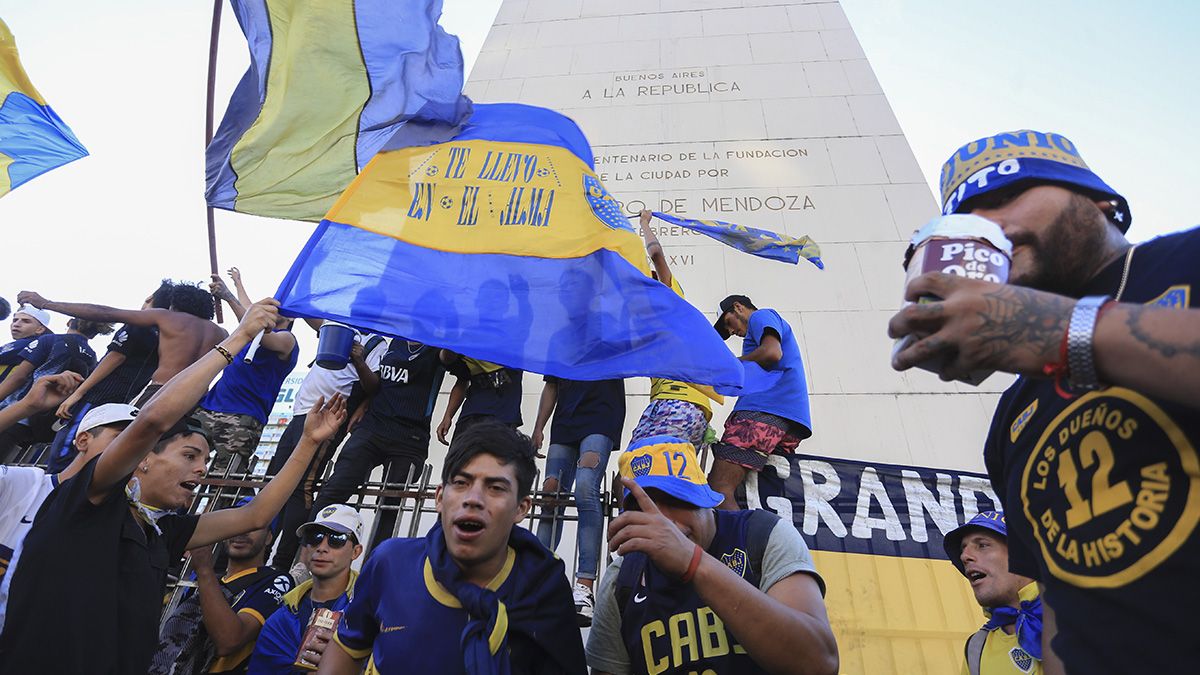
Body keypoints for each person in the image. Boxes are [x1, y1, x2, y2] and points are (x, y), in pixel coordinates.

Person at [886, 129, 1200, 673]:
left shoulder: (1187, 260)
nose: (991, 227)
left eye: (1008, 195)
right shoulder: (1012, 416)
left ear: (1101, 201)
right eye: (969, 218)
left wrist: (1063, 332)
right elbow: (1057, 598)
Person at [0, 300, 346, 675]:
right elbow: (152, 421)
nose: (201, 469)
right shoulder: (87, 499)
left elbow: (257, 515)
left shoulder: (162, 529)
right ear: (143, 458)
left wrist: (308, 442)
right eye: (189, 455)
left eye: (204, 460)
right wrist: (240, 336)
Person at [317, 420, 586, 675]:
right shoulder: (390, 562)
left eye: (495, 487)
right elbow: (347, 647)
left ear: (521, 508)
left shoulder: (544, 586)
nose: (473, 498)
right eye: (461, 483)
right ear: (439, 497)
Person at [586, 436, 838, 675]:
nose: (664, 524)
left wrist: (694, 563)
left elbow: (819, 663)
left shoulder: (762, 536)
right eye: (644, 509)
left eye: (676, 500)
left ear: (704, 499)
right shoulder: (622, 577)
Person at [308, 338, 460, 546]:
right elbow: (381, 385)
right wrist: (364, 397)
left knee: (390, 505)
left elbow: (448, 357)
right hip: (373, 427)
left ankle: (376, 560)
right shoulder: (395, 342)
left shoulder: (437, 347)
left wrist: (449, 330)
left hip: (410, 438)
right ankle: (309, 549)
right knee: (336, 488)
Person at [267, 327, 387, 572]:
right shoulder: (337, 326)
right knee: (275, 483)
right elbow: (314, 319)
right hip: (301, 413)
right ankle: (261, 556)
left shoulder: (376, 342)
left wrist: (358, 359)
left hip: (328, 418)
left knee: (301, 488)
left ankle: (284, 565)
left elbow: (374, 386)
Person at [0, 374, 105, 633]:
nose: (131, 449)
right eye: (121, 437)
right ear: (83, 440)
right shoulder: (25, 483)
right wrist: (27, 406)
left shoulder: (124, 523)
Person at [18, 282, 228, 406]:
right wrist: (228, 297)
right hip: (196, 399)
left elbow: (106, 313)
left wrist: (47, 304)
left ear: (175, 304)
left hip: (161, 393)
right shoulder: (222, 334)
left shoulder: (168, 318)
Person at [152, 496, 294, 675]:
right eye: (237, 526)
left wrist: (204, 569)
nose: (241, 533)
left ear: (269, 537)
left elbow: (229, 640)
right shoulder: (210, 582)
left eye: (252, 527)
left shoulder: (276, 580)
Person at [46, 280, 173, 472]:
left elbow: (115, 357)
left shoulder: (137, 324)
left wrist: (78, 393)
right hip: (121, 402)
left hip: (98, 395)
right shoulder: (167, 335)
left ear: (150, 298)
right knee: (91, 452)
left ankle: (54, 483)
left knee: (67, 447)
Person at [530, 375, 625, 625]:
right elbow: (551, 384)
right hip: (565, 418)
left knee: (585, 487)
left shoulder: (612, 345)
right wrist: (538, 427)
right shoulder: (561, 347)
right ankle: (537, 579)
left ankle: (584, 586)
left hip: (601, 415)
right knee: (550, 494)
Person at [710, 294, 812, 509]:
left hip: (762, 411)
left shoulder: (760, 316)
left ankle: (733, 534)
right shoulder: (761, 329)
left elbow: (772, 352)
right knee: (754, 498)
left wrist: (731, 365)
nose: (732, 331)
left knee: (719, 489)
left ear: (738, 307)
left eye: (728, 323)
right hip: (789, 421)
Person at [630, 210, 723, 447]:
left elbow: (656, 254)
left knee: (645, 460)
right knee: (633, 464)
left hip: (679, 403)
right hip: (665, 404)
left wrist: (644, 223)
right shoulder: (646, 327)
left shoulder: (671, 305)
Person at [200, 272, 299, 476]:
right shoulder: (253, 332)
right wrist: (237, 283)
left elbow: (251, 323)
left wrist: (228, 296)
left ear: (291, 316)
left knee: (222, 479)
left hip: (242, 417)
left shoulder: (287, 340)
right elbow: (249, 310)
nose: (271, 308)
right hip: (208, 407)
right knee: (182, 462)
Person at [247, 504, 364, 674]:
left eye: (336, 539)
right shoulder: (281, 617)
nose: (322, 547)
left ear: (356, 552)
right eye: (314, 537)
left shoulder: (369, 610)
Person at [0, 316, 113, 462]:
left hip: (13, 413)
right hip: (42, 424)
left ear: (69, 322)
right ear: (95, 333)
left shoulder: (51, 340)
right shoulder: (92, 357)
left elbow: (19, 377)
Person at [943, 511, 1042, 675]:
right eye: (963, 549)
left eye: (982, 545)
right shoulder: (976, 649)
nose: (964, 556)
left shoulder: (1079, 618)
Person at [436, 350, 523, 444]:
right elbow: (462, 381)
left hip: (503, 418)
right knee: (461, 452)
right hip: (471, 416)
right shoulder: (468, 347)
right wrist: (448, 416)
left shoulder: (514, 346)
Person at [0, 305, 51, 385]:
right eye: (15, 320)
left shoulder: (29, 343)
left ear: (40, 329)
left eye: (26, 321)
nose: (16, 324)